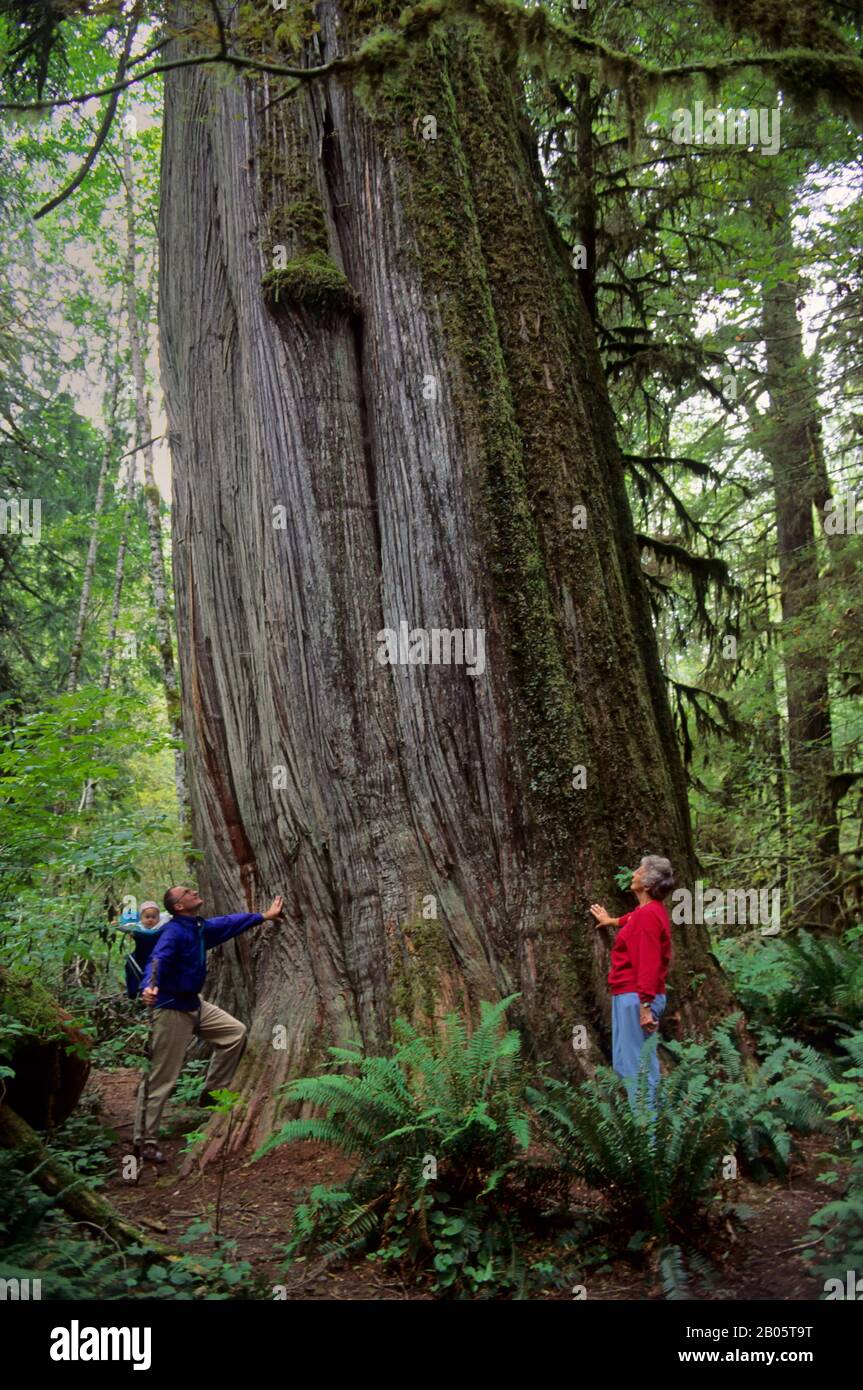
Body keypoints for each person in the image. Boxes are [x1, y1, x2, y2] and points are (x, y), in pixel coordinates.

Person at [133, 885, 284, 1162]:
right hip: (170, 1008)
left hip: (194, 1003)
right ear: (178, 906)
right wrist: (148, 986)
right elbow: (158, 959)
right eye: (187, 892)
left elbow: (228, 924)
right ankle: (144, 1140)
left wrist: (264, 916)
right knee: (162, 1077)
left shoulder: (199, 927)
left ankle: (212, 1092)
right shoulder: (173, 932)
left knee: (234, 1033)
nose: (194, 891)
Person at [589, 855, 674, 1113]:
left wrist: (645, 1006)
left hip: (637, 999)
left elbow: (647, 962)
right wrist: (612, 921)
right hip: (634, 997)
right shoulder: (648, 912)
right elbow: (632, 920)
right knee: (633, 1065)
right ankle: (654, 1129)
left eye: (638, 871)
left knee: (636, 1069)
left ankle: (647, 1140)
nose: (633, 874)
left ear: (647, 885)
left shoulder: (647, 917)